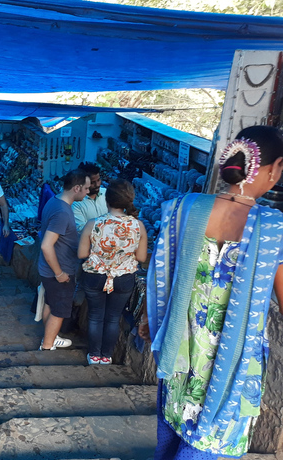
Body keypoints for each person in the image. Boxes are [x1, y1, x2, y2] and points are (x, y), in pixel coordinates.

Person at [140, 126, 283, 459]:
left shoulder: (183, 208)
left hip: (182, 349)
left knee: (172, 433)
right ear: (274, 168)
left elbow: (161, 273)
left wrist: (149, 320)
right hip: (231, 366)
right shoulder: (273, 228)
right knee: (209, 445)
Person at [78, 179, 148, 365]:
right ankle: (106, 356)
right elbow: (141, 257)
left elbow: (82, 253)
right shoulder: (138, 226)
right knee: (113, 318)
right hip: (123, 278)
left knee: (95, 315)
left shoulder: (93, 224)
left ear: (107, 200)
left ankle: (94, 355)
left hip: (95, 276)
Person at [38, 169, 90, 351]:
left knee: (51, 304)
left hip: (49, 269)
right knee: (59, 311)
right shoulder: (62, 212)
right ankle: (47, 345)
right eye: (86, 188)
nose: (88, 192)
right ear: (76, 188)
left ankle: (50, 336)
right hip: (58, 270)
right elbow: (46, 245)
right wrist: (59, 273)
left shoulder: (54, 202)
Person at [72, 162, 108, 233]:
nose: (97, 185)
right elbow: (81, 230)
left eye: (98, 180)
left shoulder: (106, 193)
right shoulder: (76, 203)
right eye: (92, 182)